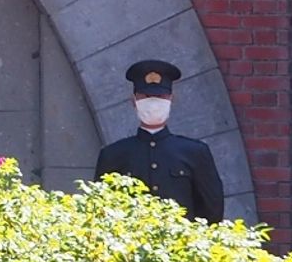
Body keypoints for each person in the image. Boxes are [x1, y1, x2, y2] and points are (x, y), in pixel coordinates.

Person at [94, 59, 224, 223]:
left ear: (171, 99)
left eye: (160, 96)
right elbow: (101, 210)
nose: (153, 103)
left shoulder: (195, 152)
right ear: (134, 101)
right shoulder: (113, 155)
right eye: (146, 96)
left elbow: (212, 210)